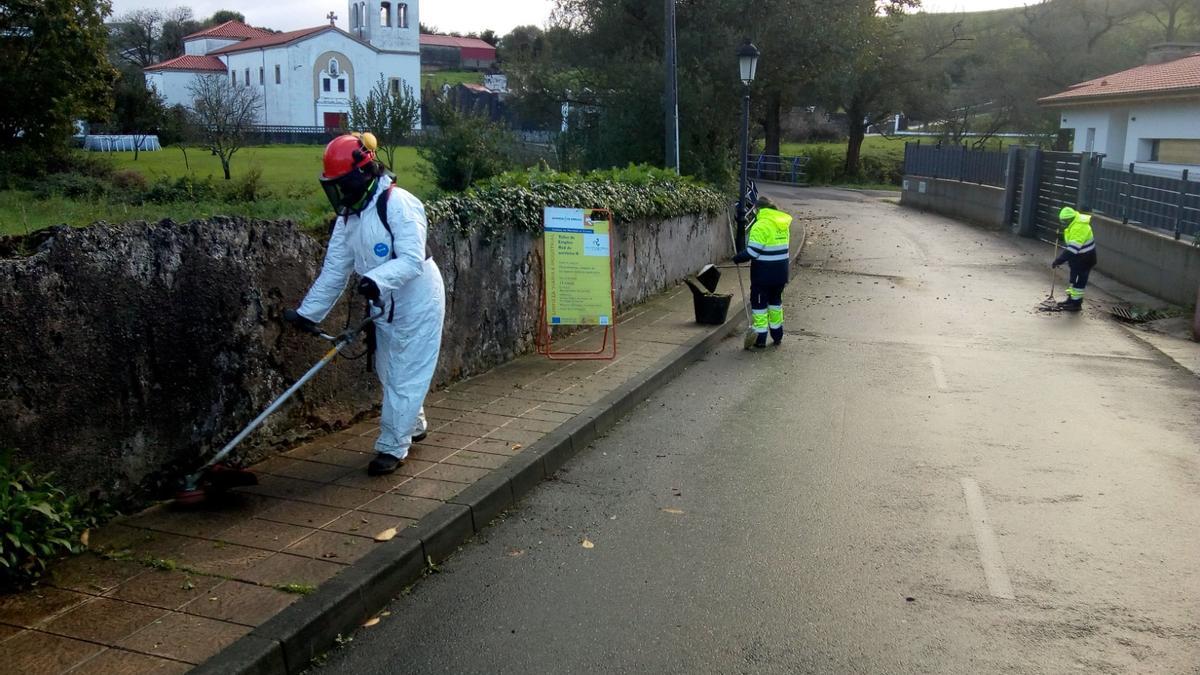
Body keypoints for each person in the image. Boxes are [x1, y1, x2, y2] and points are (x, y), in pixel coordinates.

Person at [285, 133, 445, 475]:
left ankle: (392, 446)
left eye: (343, 183)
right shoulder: (349, 218)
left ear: (361, 174)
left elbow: (413, 259)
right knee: (390, 370)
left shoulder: (399, 203)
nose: (339, 192)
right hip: (383, 303)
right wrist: (307, 314)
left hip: (418, 301)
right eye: (334, 185)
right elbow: (334, 270)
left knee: (406, 373)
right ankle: (413, 425)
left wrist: (377, 280)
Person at [732, 197, 793, 348]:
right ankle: (777, 335)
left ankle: (759, 339)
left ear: (759, 209)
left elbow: (753, 251)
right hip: (780, 274)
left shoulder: (761, 225)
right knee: (775, 304)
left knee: (759, 306)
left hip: (764, 275)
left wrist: (737, 258)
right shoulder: (782, 224)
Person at [1052, 206, 1097, 312]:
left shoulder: (1079, 227)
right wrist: (1062, 236)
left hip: (1084, 259)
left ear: (1069, 219)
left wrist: (1059, 260)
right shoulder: (1074, 224)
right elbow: (1073, 239)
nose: (1063, 224)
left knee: (1078, 282)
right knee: (1074, 280)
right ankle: (1071, 300)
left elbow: (1073, 248)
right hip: (1079, 258)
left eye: (1064, 222)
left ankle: (1076, 304)